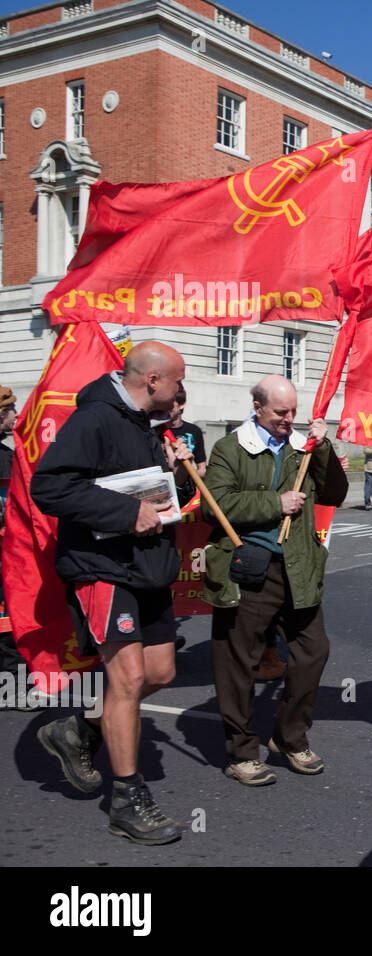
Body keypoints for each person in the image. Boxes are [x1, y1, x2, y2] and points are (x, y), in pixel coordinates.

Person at [30, 342, 194, 845]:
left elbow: (161, 497)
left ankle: (79, 727)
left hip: (147, 568)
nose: (180, 391)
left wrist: (180, 475)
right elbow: (50, 487)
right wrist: (125, 515)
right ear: (151, 381)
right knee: (127, 679)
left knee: (161, 672)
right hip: (103, 569)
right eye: (176, 382)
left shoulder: (153, 427)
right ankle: (127, 799)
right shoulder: (95, 419)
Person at [202, 375, 348, 786]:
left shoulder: (303, 449)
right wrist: (274, 503)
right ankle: (241, 752)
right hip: (249, 568)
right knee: (239, 664)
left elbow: (334, 493)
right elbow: (216, 506)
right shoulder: (230, 448)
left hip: (298, 567)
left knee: (313, 651)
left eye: (293, 412)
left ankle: (289, 736)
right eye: (280, 412)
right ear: (258, 407)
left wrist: (324, 447)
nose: (289, 419)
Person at [0, 385, 32, 709]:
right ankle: (11, 689)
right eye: (11, 410)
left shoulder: (8, 455)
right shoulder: (6, 459)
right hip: (7, 551)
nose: (16, 415)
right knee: (8, 622)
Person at [165, 388, 207, 479]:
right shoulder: (156, 430)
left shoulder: (194, 431)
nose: (165, 407)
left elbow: (202, 470)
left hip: (184, 489)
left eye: (170, 402)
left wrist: (183, 474)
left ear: (182, 404)